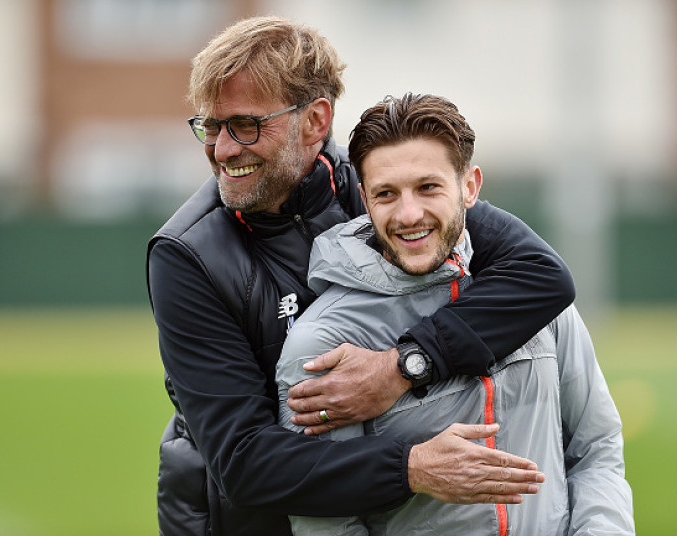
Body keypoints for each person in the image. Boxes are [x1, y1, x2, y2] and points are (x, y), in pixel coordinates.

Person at [147, 16, 576, 536]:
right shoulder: (186, 254)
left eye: (245, 125)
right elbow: (245, 462)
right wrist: (412, 468)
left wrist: (402, 367)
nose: (222, 150)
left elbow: (541, 275)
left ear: (315, 121)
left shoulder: (382, 188)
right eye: (211, 127)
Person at [277, 92, 634, 535]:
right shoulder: (323, 343)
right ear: (365, 200)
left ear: (470, 187)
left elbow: (595, 448)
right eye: (387, 193)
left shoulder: (533, 300)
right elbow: (326, 521)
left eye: (428, 187)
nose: (409, 214)